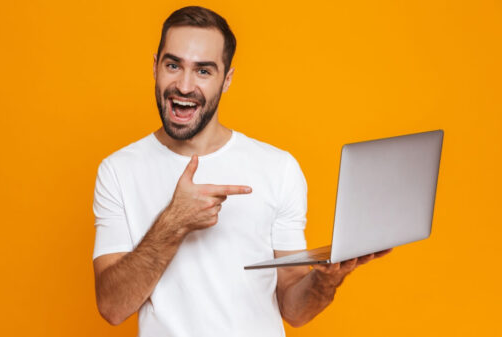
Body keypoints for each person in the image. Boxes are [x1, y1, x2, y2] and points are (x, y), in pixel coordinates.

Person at [92, 6, 390, 336]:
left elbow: (295, 310)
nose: (185, 85)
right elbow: (113, 307)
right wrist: (173, 222)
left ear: (227, 79)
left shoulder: (278, 168)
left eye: (203, 71)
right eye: (173, 65)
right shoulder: (118, 171)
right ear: (155, 66)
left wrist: (327, 278)